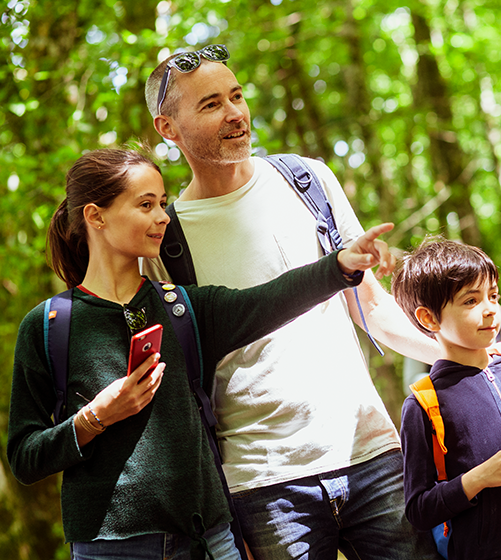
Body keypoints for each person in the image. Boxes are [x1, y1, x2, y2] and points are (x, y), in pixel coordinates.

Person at [143, 45, 501, 560]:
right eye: (211, 104)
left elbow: (370, 306)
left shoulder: (306, 181)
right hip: (264, 483)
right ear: (168, 129)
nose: (236, 113)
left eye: (237, 96)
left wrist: (473, 356)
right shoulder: (167, 240)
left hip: (370, 451)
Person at [7, 148, 399, 560]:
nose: (163, 217)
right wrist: (96, 417)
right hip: (111, 548)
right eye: (145, 205)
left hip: (210, 541)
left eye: (162, 203)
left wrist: (340, 265)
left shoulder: (184, 308)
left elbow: (268, 300)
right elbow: (24, 456)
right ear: (95, 216)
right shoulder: (50, 324)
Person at [392, 238, 501, 560]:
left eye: (493, 296)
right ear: (430, 319)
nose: (490, 309)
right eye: (471, 301)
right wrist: (475, 480)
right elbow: (418, 508)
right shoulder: (425, 404)